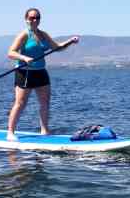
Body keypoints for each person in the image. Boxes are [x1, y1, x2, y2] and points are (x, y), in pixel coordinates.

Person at [6, 8, 79, 141]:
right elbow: (11, 52)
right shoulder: (23, 35)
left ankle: (44, 130)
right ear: (26, 19)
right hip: (25, 72)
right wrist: (24, 58)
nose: (34, 20)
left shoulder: (43, 34)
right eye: (32, 18)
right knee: (20, 103)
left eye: (37, 17)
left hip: (41, 72)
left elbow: (56, 48)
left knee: (45, 102)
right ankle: (10, 132)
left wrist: (70, 41)